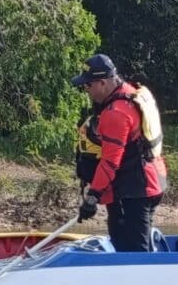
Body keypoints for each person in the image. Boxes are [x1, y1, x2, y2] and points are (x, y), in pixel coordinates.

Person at [71, 53, 167, 251]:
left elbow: (110, 162)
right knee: (135, 244)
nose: (86, 90)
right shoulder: (130, 91)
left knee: (133, 251)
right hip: (151, 181)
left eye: (88, 85)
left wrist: (92, 197)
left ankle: (143, 279)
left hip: (132, 190)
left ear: (103, 83)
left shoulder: (116, 113)